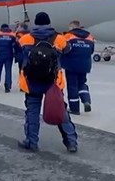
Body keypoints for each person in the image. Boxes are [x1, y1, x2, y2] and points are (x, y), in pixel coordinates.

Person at [18, 11, 78, 152]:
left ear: (35, 24)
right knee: (60, 111)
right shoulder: (59, 38)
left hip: (31, 81)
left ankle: (31, 142)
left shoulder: (26, 38)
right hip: (53, 81)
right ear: (49, 23)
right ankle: (71, 142)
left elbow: (22, 54)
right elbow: (68, 50)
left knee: (32, 112)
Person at [61, 20, 95, 114]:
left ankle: (74, 109)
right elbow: (91, 51)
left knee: (72, 87)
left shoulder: (68, 36)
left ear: (72, 27)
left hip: (71, 65)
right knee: (82, 84)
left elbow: (64, 49)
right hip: (84, 65)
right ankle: (86, 100)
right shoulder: (90, 37)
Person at [0, 23, 21, 93]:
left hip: (0, 54)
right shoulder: (12, 34)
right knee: (8, 70)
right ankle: (8, 86)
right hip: (9, 54)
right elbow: (16, 45)